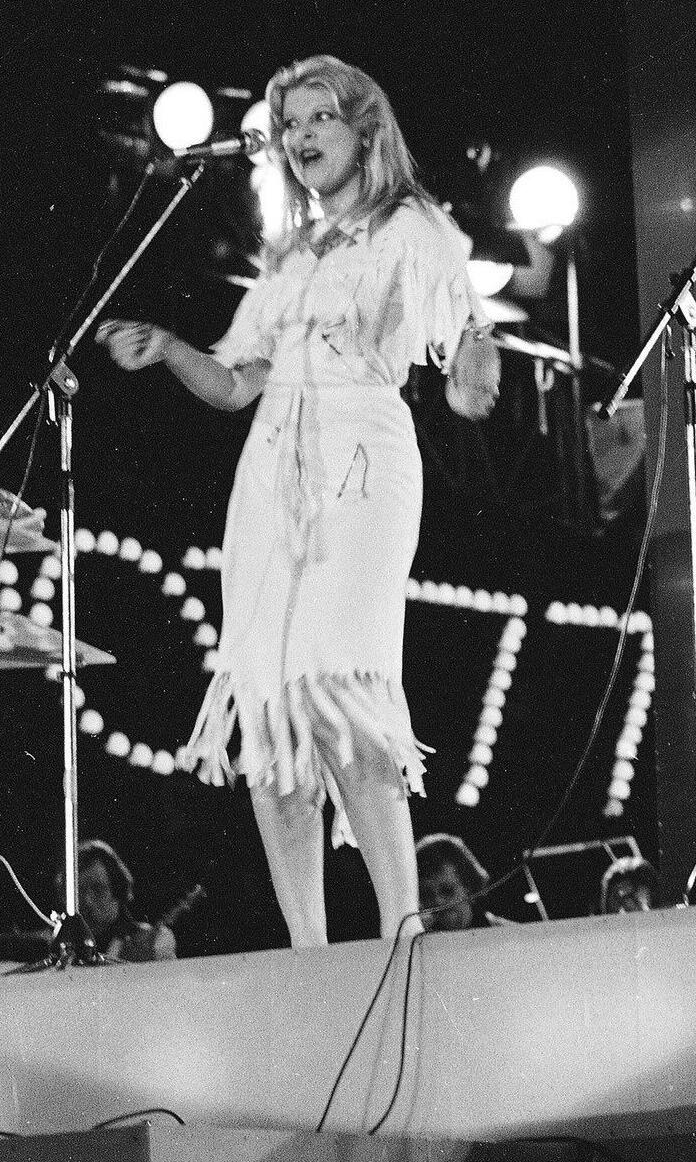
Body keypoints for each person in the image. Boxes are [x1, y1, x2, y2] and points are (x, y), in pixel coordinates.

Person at [99, 55, 501, 946]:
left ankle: (403, 929)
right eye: (289, 123)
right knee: (273, 712)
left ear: (365, 129)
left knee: (338, 685)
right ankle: (308, 949)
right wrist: (167, 347)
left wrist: (474, 374)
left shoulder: (410, 226)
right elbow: (237, 383)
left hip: (362, 461)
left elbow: (468, 330)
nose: (300, 135)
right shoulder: (287, 254)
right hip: (270, 474)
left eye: (320, 117)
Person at [63, 840, 177, 963]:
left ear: (118, 888)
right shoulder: (61, 947)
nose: (87, 901)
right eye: (79, 891)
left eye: (98, 889)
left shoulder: (155, 942)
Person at [416, 832, 503, 933]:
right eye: (427, 895)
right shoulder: (419, 938)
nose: (438, 901)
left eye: (447, 891)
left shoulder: (507, 934)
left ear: (469, 887)